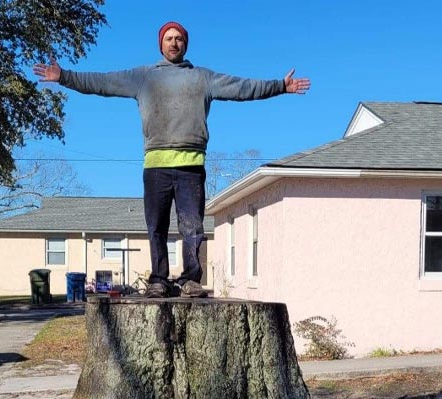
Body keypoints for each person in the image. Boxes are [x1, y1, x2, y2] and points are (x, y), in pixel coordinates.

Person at [34, 21, 310, 298]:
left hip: (191, 166)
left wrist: (279, 86)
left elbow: (242, 87)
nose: (174, 42)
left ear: (185, 44)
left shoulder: (202, 77)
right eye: (169, 38)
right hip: (156, 166)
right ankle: (159, 279)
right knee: (157, 227)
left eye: (179, 38)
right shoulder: (144, 77)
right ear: (161, 44)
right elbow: (102, 83)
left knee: (193, 228)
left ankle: (190, 279)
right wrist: (64, 76)